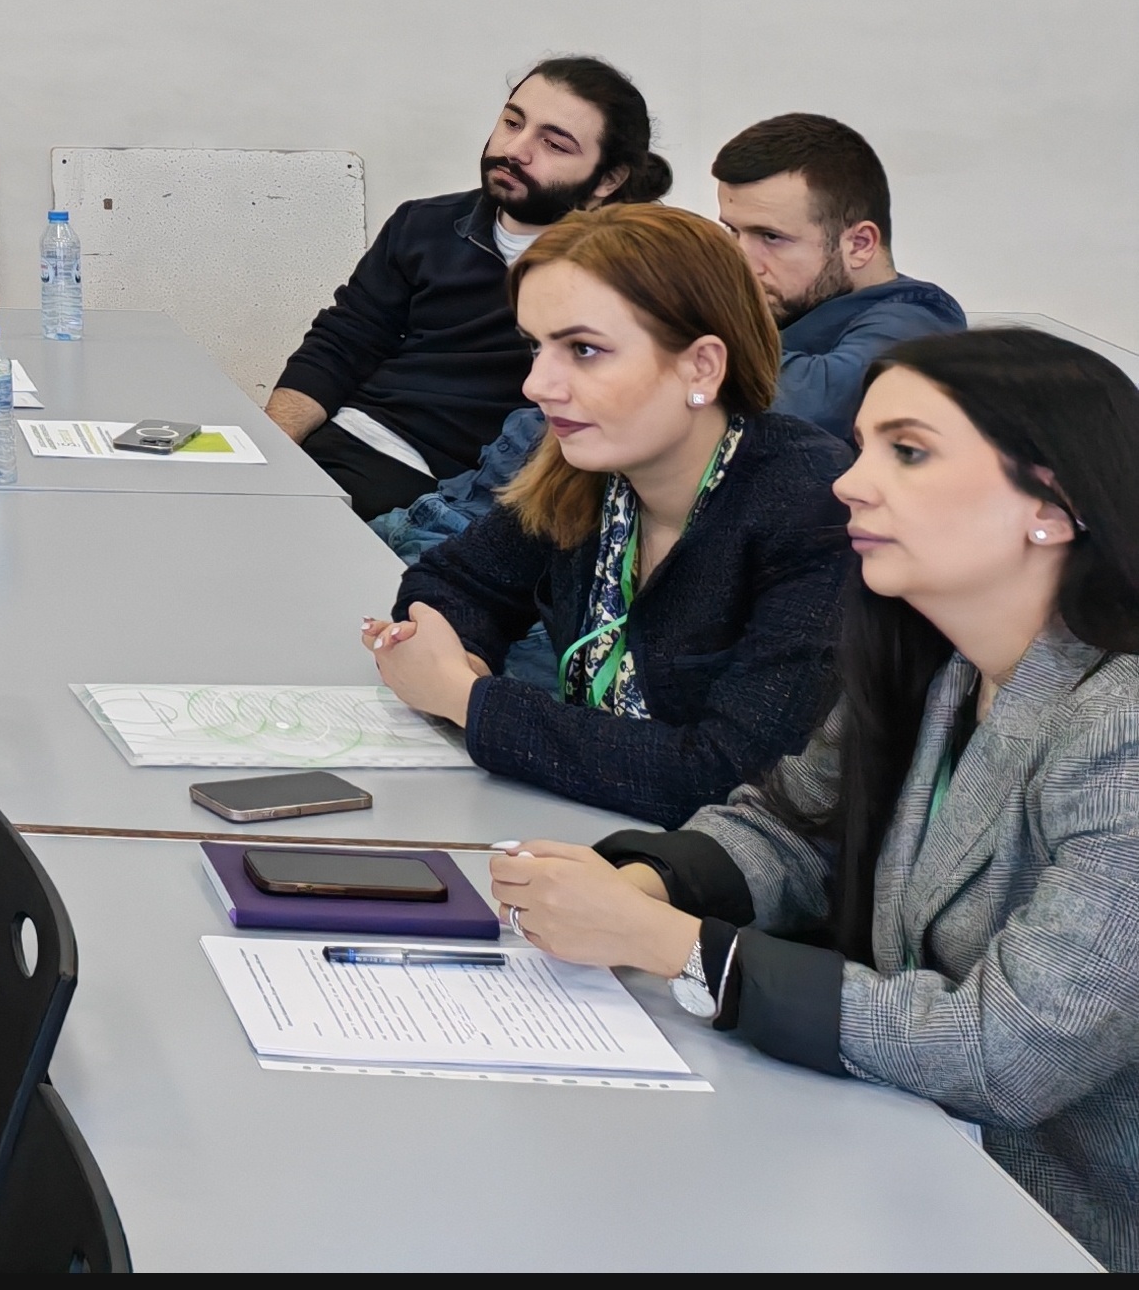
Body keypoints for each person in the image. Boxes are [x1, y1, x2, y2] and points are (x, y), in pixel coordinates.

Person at [490, 329, 1139, 1269]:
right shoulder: (944, 661)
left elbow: (1009, 1051)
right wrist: (641, 886)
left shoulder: (1120, 728)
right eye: (864, 446)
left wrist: (674, 945)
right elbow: (796, 826)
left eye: (907, 452)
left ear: (1053, 505)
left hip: (1058, 1224)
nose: (850, 483)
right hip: (908, 1157)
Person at [359, 203, 853, 826]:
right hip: (582, 827)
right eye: (536, 346)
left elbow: (730, 776)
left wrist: (467, 700)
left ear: (702, 366)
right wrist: (458, 653)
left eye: (584, 350)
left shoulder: (812, 504)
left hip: (693, 868)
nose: (537, 385)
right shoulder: (588, 468)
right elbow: (455, 581)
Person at [376, 111, 966, 566]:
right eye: (731, 231)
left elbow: (815, 401)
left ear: (859, 243)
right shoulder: (778, 302)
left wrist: (673, 330)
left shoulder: (914, 315)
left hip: (548, 543)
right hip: (468, 508)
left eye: (771, 237)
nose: (742, 258)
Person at [267, 57, 671, 521]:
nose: (515, 150)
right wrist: (269, 450)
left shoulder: (622, 274)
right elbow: (344, 341)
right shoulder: (423, 224)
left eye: (554, 144)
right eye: (512, 122)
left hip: (462, 494)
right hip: (348, 442)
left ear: (609, 179)